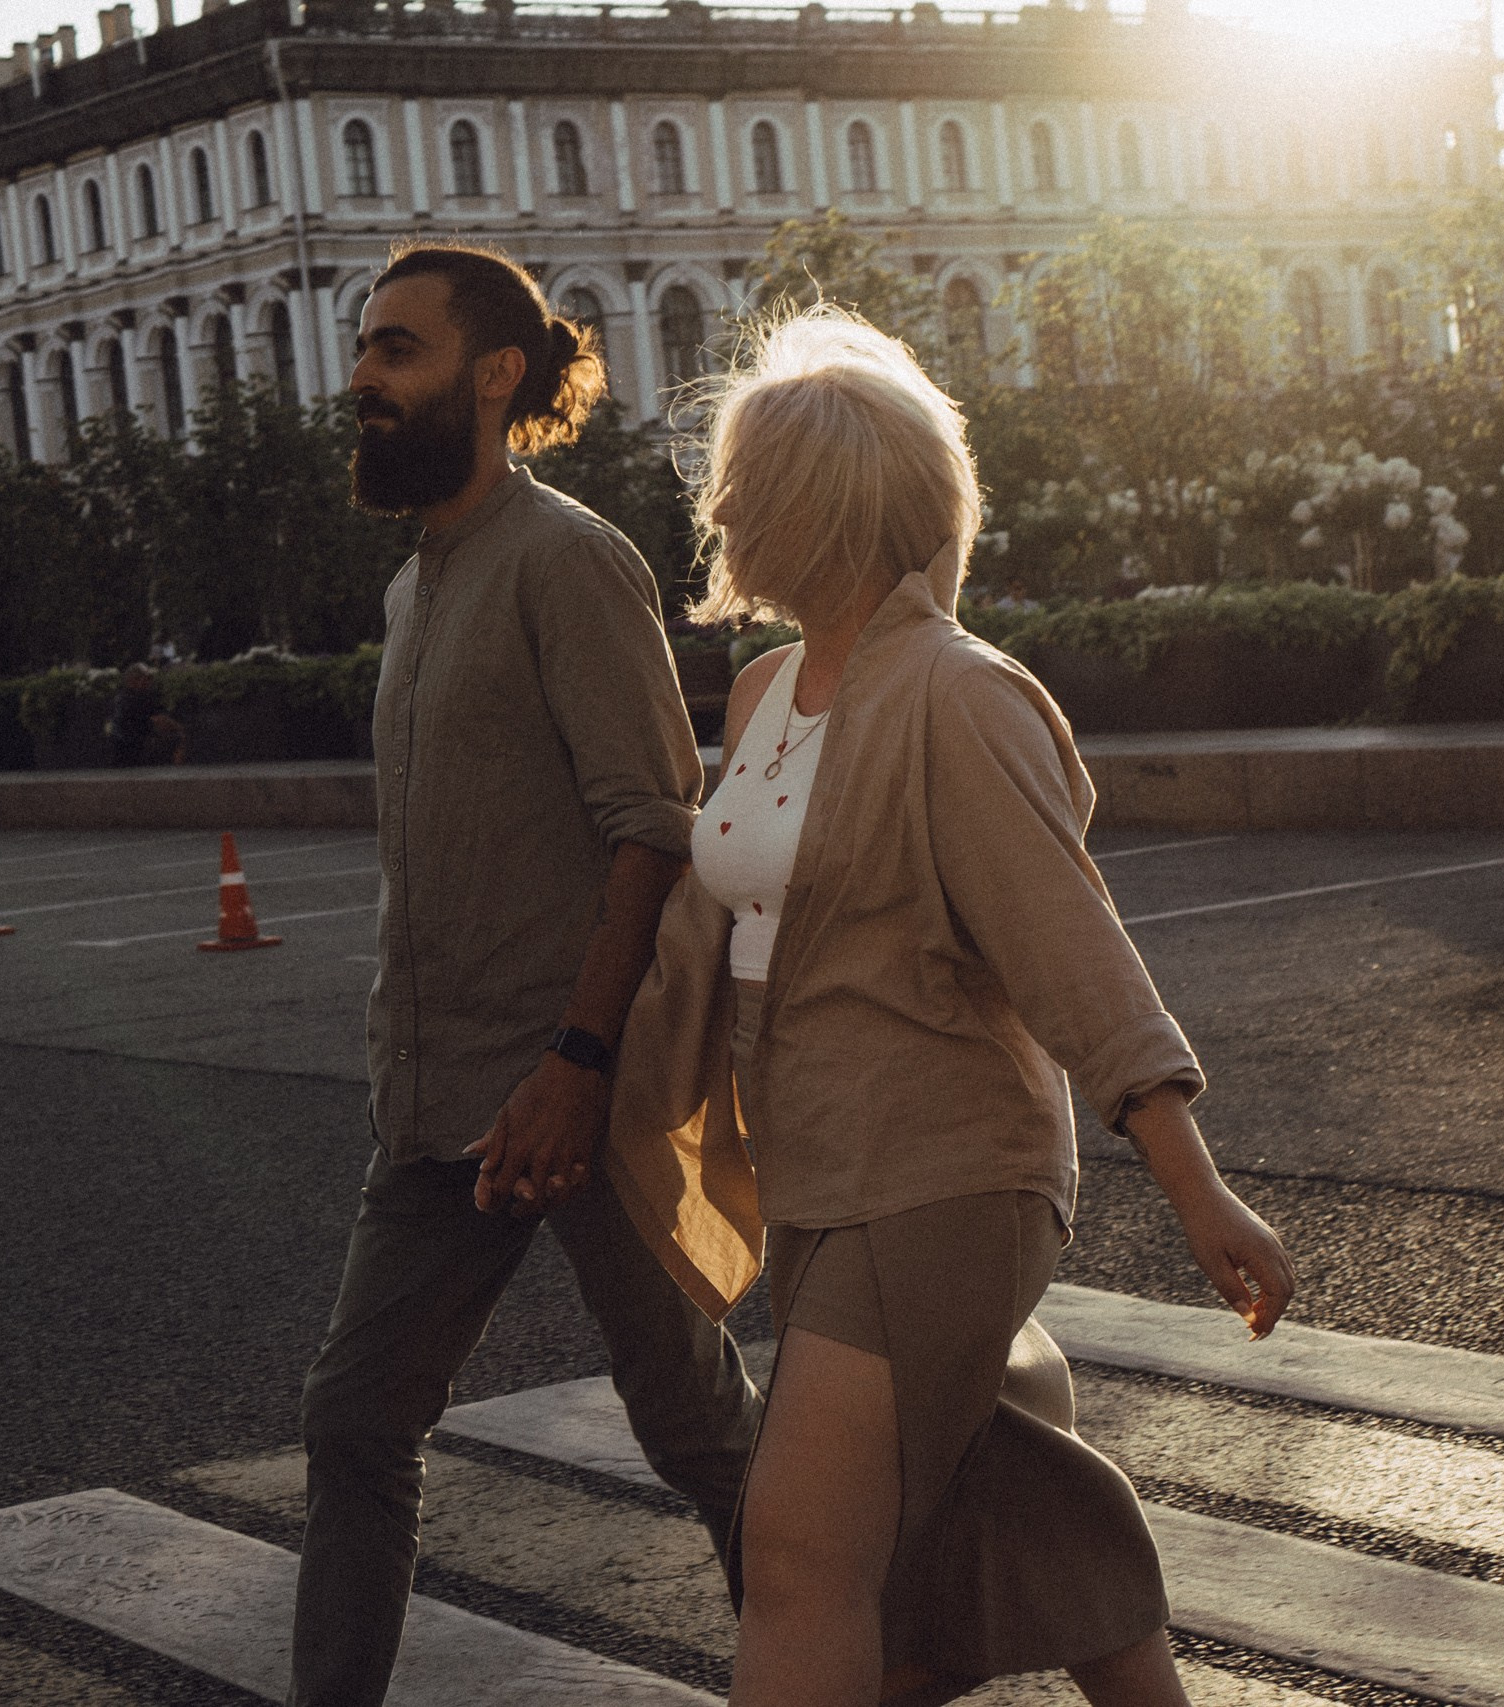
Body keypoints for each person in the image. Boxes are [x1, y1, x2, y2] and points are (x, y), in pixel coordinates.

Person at [602, 306, 1297, 1707]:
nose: (720, 506)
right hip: (816, 1169)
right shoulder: (765, 687)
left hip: (941, 1170)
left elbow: (1071, 953)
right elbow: (726, 923)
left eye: (748, 481)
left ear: (825, 505)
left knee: (800, 1550)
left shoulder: (959, 695)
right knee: (975, 1510)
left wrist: (1199, 1191)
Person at [289, 242, 763, 1707]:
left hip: (577, 1094)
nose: (359, 380)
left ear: (495, 376)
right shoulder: (410, 590)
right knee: (357, 1424)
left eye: (394, 352)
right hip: (434, 1112)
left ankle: (852, 1670)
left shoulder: (566, 559)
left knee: (696, 1436)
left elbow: (653, 829)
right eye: (363, 350)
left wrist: (577, 1065)